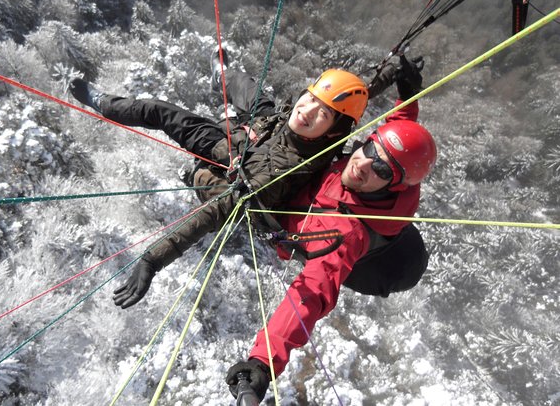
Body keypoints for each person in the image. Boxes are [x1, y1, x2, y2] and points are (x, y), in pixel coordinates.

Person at [69, 50, 384, 309]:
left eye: (324, 114)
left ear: (332, 132)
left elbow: (214, 213)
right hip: (262, 132)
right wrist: (384, 78)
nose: (308, 110)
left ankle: (106, 107)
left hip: (235, 168)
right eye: (312, 98)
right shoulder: (295, 117)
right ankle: (221, 72)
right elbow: (330, 103)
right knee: (247, 89)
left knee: (160, 112)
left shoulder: (281, 173)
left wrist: (153, 260)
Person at [225, 56, 436, 401]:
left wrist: (263, 362)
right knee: (259, 107)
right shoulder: (391, 169)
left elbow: (310, 295)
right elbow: (396, 135)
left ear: (393, 185)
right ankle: (223, 74)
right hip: (376, 226)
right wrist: (408, 97)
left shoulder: (345, 237)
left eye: (381, 170)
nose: (363, 164)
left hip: (376, 263)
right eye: (369, 149)